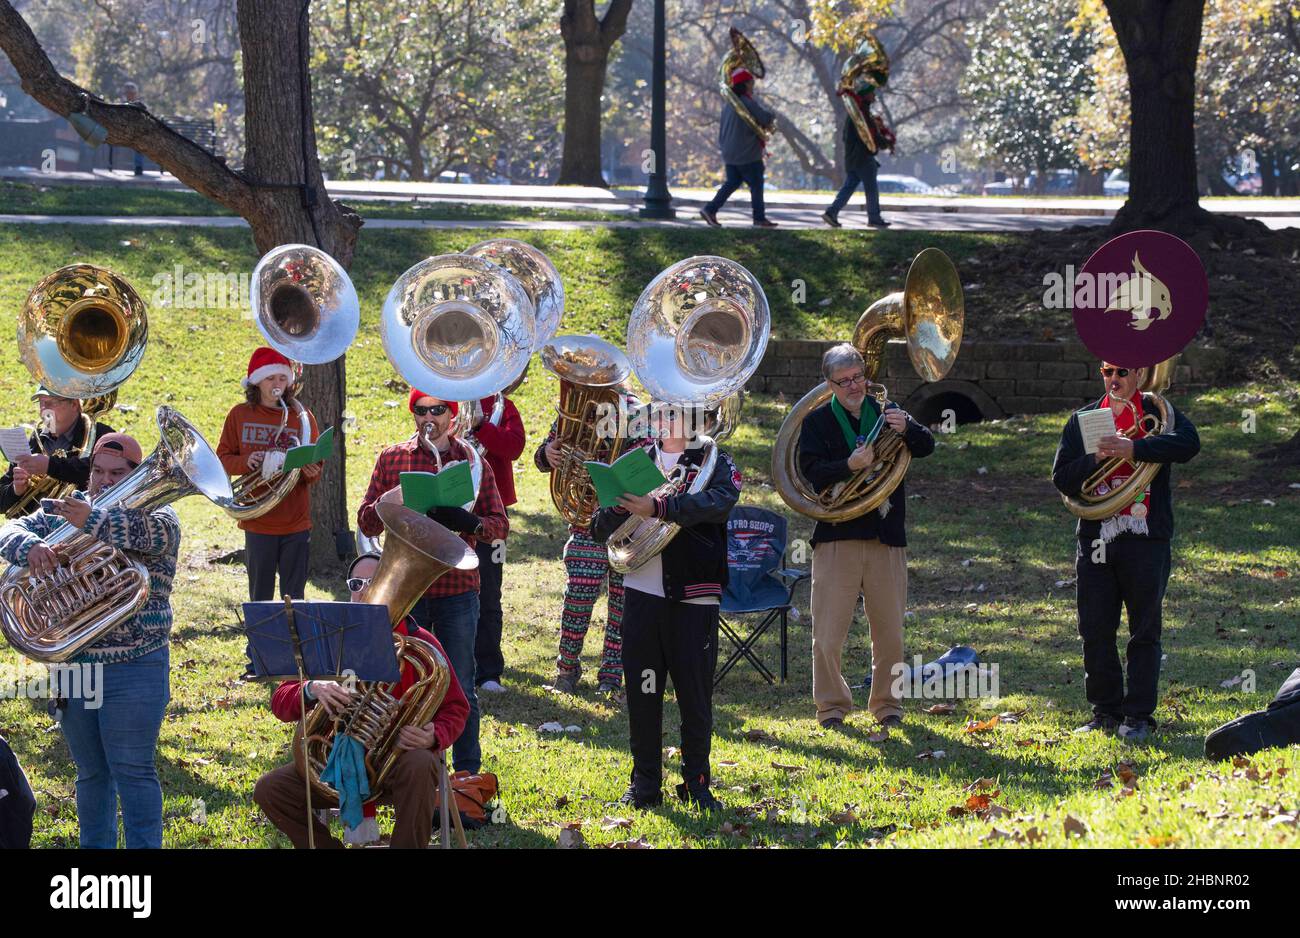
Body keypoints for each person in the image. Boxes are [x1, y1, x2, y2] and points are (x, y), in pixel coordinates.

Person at [0, 433, 180, 848]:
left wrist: (90, 520)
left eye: (116, 473)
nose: (103, 480)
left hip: (136, 665)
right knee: (91, 773)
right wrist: (30, 547)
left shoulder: (160, 514)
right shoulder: (62, 508)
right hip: (75, 668)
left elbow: (154, 536)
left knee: (132, 770)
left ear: (136, 475)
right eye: (98, 471)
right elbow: (10, 528)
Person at [252, 552, 470, 849]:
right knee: (270, 789)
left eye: (374, 581)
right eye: (356, 583)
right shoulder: (327, 638)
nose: (364, 590)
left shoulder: (422, 645)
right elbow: (280, 701)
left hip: (397, 765)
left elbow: (457, 708)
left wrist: (434, 734)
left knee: (420, 762)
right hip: (333, 767)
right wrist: (312, 688)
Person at [591, 404, 741, 811]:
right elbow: (597, 527)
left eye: (672, 415)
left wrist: (658, 508)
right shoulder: (638, 463)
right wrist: (620, 507)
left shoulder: (715, 462)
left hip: (694, 597)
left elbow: (719, 504)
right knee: (643, 692)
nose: (662, 422)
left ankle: (697, 782)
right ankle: (644, 785)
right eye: (659, 415)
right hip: (641, 595)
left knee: (694, 697)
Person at [357, 389, 508, 774]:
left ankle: (467, 773)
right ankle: (403, 769)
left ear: (452, 417)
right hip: (407, 590)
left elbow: (499, 525)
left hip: (457, 590)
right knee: (404, 685)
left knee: (460, 683)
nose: (429, 417)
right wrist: (388, 500)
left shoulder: (472, 462)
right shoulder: (393, 458)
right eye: (421, 410)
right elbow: (365, 522)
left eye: (438, 410)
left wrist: (469, 524)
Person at [1052, 361, 1200, 743]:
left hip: (1146, 537)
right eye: (1106, 372)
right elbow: (1061, 479)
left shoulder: (1157, 413)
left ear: (1137, 375)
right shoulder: (1084, 418)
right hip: (1097, 537)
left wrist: (1134, 447)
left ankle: (1138, 716)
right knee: (1095, 629)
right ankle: (1105, 711)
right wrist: (1095, 459)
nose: (1114, 379)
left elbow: (1189, 444)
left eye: (1122, 372)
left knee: (1144, 631)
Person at [798, 344, 934, 730]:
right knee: (827, 633)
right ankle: (832, 708)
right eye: (844, 381)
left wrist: (907, 427)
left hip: (885, 534)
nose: (854, 385)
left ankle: (888, 704)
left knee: (889, 630)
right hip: (837, 535)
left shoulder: (889, 415)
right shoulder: (818, 422)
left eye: (858, 377)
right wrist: (848, 464)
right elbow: (811, 473)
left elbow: (926, 446)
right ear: (830, 385)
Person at [533, 391, 650, 698]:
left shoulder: (636, 413)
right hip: (587, 522)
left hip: (630, 525)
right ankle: (566, 670)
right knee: (577, 599)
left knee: (623, 606)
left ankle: (611, 676)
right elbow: (541, 458)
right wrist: (547, 454)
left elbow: (648, 462)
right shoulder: (573, 413)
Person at [217, 347, 321, 603]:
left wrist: (310, 471)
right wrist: (246, 462)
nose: (277, 384)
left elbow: (316, 468)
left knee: (293, 598)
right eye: (270, 378)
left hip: (295, 522)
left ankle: (292, 643)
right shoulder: (239, 415)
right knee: (259, 597)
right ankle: (258, 644)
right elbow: (222, 460)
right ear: (256, 381)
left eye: (282, 378)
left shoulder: (303, 417)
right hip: (258, 520)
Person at [465, 393, 526, 694]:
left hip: (491, 513)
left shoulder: (501, 406)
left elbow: (514, 447)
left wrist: (480, 425)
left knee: (489, 592)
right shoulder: (441, 399)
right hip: (449, 508)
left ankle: (488, 671)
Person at [0, 386, 115, 517]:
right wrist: (16, 489)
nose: (44, 409)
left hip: (78, 526)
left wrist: (50, 466)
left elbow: (103, 473)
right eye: (41, 403)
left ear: (74, 404)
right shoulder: (36, 440)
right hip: (30, 528)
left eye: (51, 403)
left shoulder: (101, 435)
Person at [700, 67, 778, 229]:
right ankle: (759, 218)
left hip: (730, 153)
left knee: (732, 182)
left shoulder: (729, 105)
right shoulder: (746, 102)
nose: (753, 86)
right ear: (745, 84)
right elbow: (764, 118)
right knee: (756, 184)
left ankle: (710, 209)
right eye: (751, 82)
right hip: (747, 153)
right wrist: (772, 115)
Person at [823, 86, 894, 229]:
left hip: (853, 158)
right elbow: (871, 135)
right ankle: (874, 218)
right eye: (872, 93)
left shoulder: (856, 114)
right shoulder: (861, 115)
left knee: (848, 187)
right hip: (863, 158)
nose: (874, 96)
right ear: (866, 95)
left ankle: (832, 212)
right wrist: (886, 142)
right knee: (871, 189)